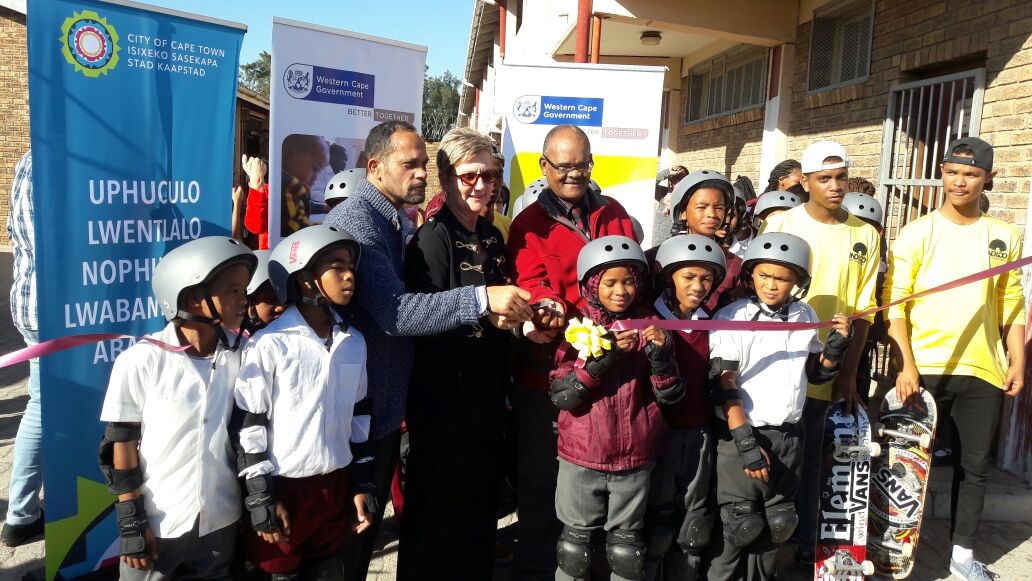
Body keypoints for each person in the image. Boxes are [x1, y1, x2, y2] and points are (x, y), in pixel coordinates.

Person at [323, 120, 532, 580]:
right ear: (375, 166)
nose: (421, 174)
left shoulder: (396, 218)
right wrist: (482, 299)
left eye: (423, 164)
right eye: (410, 164)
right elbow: (397, 315)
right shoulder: (362, 223)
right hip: (368, 409)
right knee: (356, 543)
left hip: (397, 404)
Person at [883, 137, 1024, 581]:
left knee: (974, 467)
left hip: (983, 369)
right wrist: (906, 364)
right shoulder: (917, 233)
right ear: (942, 172)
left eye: (971, 174)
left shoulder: (1004, 235)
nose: (959, 182)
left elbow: (1012, 302)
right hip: (922, 369)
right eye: (951, 172)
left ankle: (962, 558)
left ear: (989, 178)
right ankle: (891, 545)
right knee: (903, 462)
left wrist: (1017, 358)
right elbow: (896, 305)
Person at [506, 124, 637, 580]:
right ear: (544, 167)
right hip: (546, 377)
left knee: (601, 481)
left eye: (582, 164)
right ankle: (537, 568)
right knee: (542, 484)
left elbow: (632, 277)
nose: (574, 174)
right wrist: (548, 308)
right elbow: (532, 284)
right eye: (564, 166)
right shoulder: (527, 225)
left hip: (607, 377)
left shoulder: (615, 214)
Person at [98, 237, 256, 578]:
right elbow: (120, 442)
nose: (243, 299)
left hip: (220, 517)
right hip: (159, 518)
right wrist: (131, 524)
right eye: (232, 290)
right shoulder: (142, 359)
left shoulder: (241, 356)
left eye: (244, 289)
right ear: (191, 298)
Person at [398, 128, 511, 580]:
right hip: (444, 402)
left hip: (487, 397)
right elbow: (421, 321)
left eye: (490, 175)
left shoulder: (492, 236)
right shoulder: (431, 239)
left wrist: (523, 319)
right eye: (470, 176)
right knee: (437, 520)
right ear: (445, 178)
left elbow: (501, 310)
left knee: (480, 512)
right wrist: (486, 313)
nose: (481, 185)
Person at [759, 140, 880, 565]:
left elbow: (862, 313)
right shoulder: (780, 223)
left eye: (841, 177)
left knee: (816, 463)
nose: (834, 186)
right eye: (824, 178)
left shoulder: (865, 234)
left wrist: (849, 374)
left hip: (831, 369)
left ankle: (810, 549)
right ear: (806, 181)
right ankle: (772, 549)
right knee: (779, 458)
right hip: (782, 366)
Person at [708, 233, 851, 580]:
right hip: (744, 434)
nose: (772, 285)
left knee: (778, 526)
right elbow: (723, 384)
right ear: (751, 274)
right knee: (740, 527)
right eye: (764, 275)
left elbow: (814, 377)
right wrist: (746, 444)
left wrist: (834, 350)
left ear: (798, 281)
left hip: (789, 435)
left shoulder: (806, 314)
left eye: (782, 278)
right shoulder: (733, 317)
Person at [234, 225, 373, 580]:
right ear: (307, 279)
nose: (348, 275)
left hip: (334, 485)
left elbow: (359, 417)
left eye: (350, 267)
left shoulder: (354, 341)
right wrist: (260, 496)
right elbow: (250, 425)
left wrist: (361, 484)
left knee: (328, 571)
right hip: (286, 489)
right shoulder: (270, 344)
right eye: (336, 267)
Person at [549, 236, 682, 581]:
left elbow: (669, 396)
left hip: (635, 456)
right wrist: (599, 362)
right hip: (583, 453)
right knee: (574, 551)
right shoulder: (577, 326)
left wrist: (661, 357)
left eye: (628, 281)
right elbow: (562, 395)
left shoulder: (649, 323)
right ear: (592, 285)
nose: (620, 291)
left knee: (626, 552)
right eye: (610, 283)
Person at [645, 234, 726, 581]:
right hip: (660, 436)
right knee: (657, 526)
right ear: (668, 277)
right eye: (688, 277)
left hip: (699, 433)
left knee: (693, 525)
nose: (698, 286)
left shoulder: (712, 321)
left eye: (706, 278)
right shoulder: (649, 321)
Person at [2, 151, 44, 547]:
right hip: (53, 308)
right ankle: (21, 514)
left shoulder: (30, 158)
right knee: (43, 406)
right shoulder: (60, 161)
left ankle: (22, 513)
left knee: (40, 401)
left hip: (30, 300)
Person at [658, 170, 743, 312]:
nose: (712, 214)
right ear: (683, 211)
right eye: (702, 207)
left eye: (719, 208)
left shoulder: (735, 267)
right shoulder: (657, 258)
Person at [281, 134, 330, 236]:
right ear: (290, 154)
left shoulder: (284, 182)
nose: (315, 177)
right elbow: (300, 229)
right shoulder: (291, 185)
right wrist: (332, 227)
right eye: (315, 168)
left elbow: (300, 205)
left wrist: (324, 207)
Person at [243, 249, 285, 333]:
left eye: (286, 299)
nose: (281, 308)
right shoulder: (237, 344)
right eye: (271, 299)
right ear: (247, 304)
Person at [652, 164, 688, 247]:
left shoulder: (689, 197)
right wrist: (668, 172)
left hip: (677, 245)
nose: (676, 182)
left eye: (680, 179)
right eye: (674, 178)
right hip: (658, 244)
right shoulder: (663, 193)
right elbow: (648, 185)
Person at [242, 154, 271, 249]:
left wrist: (256, 184)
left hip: (270, 255)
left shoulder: (266, 191)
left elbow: (255, 225)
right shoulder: (285, 188)